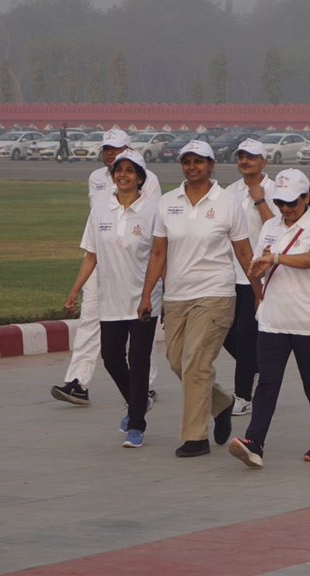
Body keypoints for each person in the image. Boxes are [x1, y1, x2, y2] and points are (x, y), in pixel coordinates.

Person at [139, 140, 257, 458]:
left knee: (195, 362)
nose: (192, 167)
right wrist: (147, 294)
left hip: (215, 293)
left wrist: (260, 293)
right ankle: (221, 402)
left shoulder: (228, 202)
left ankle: (195, 437)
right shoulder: (167, 202)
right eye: (187, 161)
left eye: (199, 161)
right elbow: (159, 252)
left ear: (211, 165)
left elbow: (244, 252)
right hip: (177, 295)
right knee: (178, 361)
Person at [228, 169, 310, 468]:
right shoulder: (271, 227)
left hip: (308, 320)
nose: (286, 209)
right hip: (273, 319)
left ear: (306, 197)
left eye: (292, 202)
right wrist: (258, 276)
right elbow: (258, 262)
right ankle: (254, 442)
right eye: (280, 202)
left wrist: (275, 259)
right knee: (267, 382)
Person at [52, 128, 161, 406]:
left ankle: (144, 387)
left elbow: (155, 233)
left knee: (140, 338)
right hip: (103, 261)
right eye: (107, 150)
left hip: (137, 268)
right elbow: (98, 220)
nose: (111, 155)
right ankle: (78, 382)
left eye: (117, 149)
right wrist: (74, 288)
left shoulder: (149, 180)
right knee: (90, 320)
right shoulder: (96, 178)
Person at [222, 139, 276, 416]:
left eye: (251, 157)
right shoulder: (228, 193)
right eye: (241, 156)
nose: (245, 161)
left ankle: (242, 395)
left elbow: (277, 228)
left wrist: (259, 198)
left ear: (263, 162)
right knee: (224, 332)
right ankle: (254, 367)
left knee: (245, 336)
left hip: (259, 275)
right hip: (228, 273)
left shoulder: (277, 191)